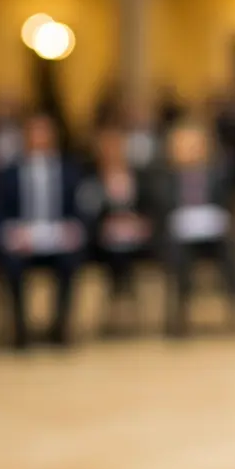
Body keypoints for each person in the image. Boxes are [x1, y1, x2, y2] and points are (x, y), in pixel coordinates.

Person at [0, 112, 84, 349]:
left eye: (45, 133)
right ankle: (20, 328)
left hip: (57, 239)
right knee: (11, 262)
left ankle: (61, 325)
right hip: (23, 241)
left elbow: (80, 210)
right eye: (34, 133)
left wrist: (73, 229)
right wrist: (12, 233)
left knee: (71, 259)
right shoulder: (9, 172)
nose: (39, 138)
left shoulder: (69, 170)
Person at [154, 120, 235, 337]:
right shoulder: (163, 176)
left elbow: (230, 203)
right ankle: (179, 311)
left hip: (213, 236)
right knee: (176, 251)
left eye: (194, 145)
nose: (190, 150)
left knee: (233, 246)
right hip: (179, 236)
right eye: (184, 145)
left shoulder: (219, 173)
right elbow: (160, 210)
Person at [78, 122, 155, 334]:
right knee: (114, 251)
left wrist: (141, 223)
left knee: (129, 250)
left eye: (117, 146)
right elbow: (87, 212)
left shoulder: (139, 177)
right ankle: (120, 295)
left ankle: (124, 296)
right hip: (103, 241)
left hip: (137, 238)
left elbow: (150, 207)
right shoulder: (91, 179)